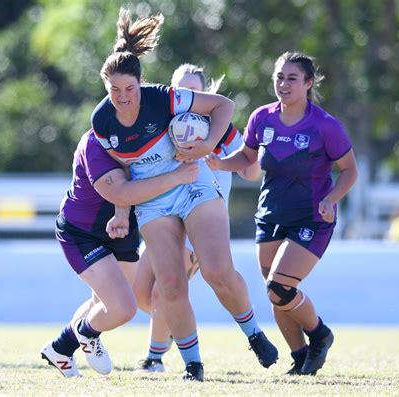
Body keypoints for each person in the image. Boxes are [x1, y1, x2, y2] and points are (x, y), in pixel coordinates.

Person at [92, 8, 278, 381]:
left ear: (141, 83)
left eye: (130, 89)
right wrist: (122, 213)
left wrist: (207, 144)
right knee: (168, 286)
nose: (123, 97)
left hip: (194, 184)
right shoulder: (103, 122)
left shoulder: (165, 99)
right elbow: (120, 173)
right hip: (154, 200)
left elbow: (224, 106)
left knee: (217, 271)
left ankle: (253, 333)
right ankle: (192, 364)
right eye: (115, 90)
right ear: (105, 87)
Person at [207, 52, 358, 375]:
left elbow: (349, 171)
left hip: (311, 219)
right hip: (270, 216)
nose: (283, 84)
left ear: (308, 83)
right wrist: (219, 163)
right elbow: (246, 157)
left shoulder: (325, 125)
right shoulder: (262, 118)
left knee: (280, 288)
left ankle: (319, 334)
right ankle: (301, 356)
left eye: (292, 78)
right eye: (279, 77)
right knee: (275, 294)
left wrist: (332, 199)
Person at [40, 128, 199, 378]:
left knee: (102, 303)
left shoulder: (149, 131)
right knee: (123, 308)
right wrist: (178, 176)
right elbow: (122, 192)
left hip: (122, 231)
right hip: (82, 232)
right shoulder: (93, 144)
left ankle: (60, 349)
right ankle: (87, 333)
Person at [136, 63, 261, 373]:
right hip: (164, 216)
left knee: (162, 291)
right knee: (140, 294)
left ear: (207, 93)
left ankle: (155, 359)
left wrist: (244, 154)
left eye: (195, 89)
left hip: (200, 218)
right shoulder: (164, 123)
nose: (188, 95)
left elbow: (250, 170)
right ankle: (166, 339)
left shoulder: (222, 129)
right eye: (182, 89)